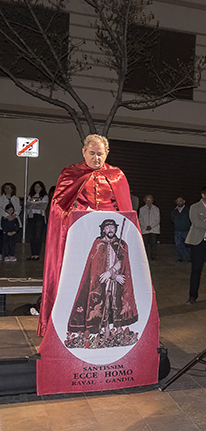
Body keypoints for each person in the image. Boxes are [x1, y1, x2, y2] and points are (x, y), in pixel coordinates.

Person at [38, 134, 133, 337]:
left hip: (110, 246)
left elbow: (125, 210)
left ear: (107, 153)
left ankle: (108, 327)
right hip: (80, 243)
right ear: (83, 152)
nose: (96, 158)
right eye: (92, 153)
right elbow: (58, 207)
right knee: (83, 283)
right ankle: (76, 325)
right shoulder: (70, 173)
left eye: (100, 154)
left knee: (109, 285)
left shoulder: (117, 175)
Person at [67, 218, 138, 340]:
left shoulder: (121, 243)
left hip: (116, 282)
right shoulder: (98, 244)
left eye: (113, 227)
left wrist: (112, 274)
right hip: (102, 282)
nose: (111, 230)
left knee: (116, 303)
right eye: (108, 227)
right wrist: (110, 274)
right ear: (103, 229)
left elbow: (122, 261)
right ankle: (105, 329)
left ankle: (118, 329)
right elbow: (95, 266)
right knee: (104, 303)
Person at [25, 181, 49, 261]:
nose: (37, 188)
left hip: (40, 216)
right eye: (35, 187)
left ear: (42, 188)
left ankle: (37, 254)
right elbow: (27, 205)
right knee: (31, 236)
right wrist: (34, 205)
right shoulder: (30, 196)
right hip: (31, 216)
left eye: (39, 187)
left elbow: (42, 206)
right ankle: (32, 254)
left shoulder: (44, 196)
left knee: (38, 236)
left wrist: (33, 205)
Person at [139, 194, 160, 261]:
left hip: (154, 229)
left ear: (152, 200)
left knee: (153, 244)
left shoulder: (156, 209)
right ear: (144, 200)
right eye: (147, 199)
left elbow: (157, 219)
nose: (149, 201)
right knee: (144, 244)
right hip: (145, 229)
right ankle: (144, 257)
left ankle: (153, 256)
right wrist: (145, 226)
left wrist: (151, 226)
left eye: (150, 199)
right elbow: (140, 219)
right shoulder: (142, 209)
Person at [171, 197, 191, 262]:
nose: (179, 202)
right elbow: (173, 219)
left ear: (184, 201)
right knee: (178, 245)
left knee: (187, 245)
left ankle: (188, 257)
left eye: (180, 201)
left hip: (186, 230)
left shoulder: (188, 210)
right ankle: (180, 257)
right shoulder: (174, 211)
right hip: (177, 230)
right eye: (177, 201)